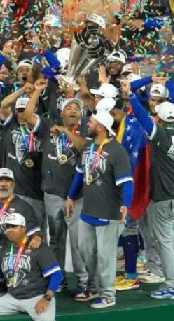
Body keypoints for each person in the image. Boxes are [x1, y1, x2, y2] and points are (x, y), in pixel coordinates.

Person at [129, 66, 174, 299]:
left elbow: (140, 116)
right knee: (170, 238)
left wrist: (130, 96)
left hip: (165, 197)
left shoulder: (161, 135)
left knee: (165, 241)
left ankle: (172, 285)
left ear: (158, 117)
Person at [23, 80, 90, 298]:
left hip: (77, 195)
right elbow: (28, 115)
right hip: (52, 194)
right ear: (61, 112)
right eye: (69, 107)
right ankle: (58, 279)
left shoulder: (85, 129)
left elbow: (83, 146)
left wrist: (65, 132)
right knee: (56, 240)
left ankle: (83, 281)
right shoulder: (47, 126)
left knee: (78, 241)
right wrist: (37, 92)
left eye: (77, 108)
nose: (73, 110)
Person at [64, 110, 134, 309]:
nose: (88, 124)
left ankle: (108, 294)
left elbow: (127, 182)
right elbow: (80, 174)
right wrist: (70, 196)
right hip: (88, 211)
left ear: (101, 127)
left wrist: (125, 204)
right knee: (85, 251)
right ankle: (95, 286)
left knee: (105, 256)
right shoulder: (88, 147)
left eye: (92, 122)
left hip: (109, 212)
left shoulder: (117, 151)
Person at [0, 213, 62, 321]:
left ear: (24, 228)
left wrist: (46, 298)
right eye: (7, 227)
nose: (10, 230)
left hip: (37, 296)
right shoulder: (2, 249)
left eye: (14, 226)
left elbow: (57, 275)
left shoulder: (38, 247)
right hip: (13, 297)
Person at [0, 86, 46, 223]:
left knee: (34, 228)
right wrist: (23, 90)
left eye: (26, 111)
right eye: (20, 111)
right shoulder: (10, 125)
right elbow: (4, 105)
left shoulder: (42, 128)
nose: (23, 115)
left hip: (35, 191)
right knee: (11, 228)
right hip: (13, 191)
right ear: (16, 112)